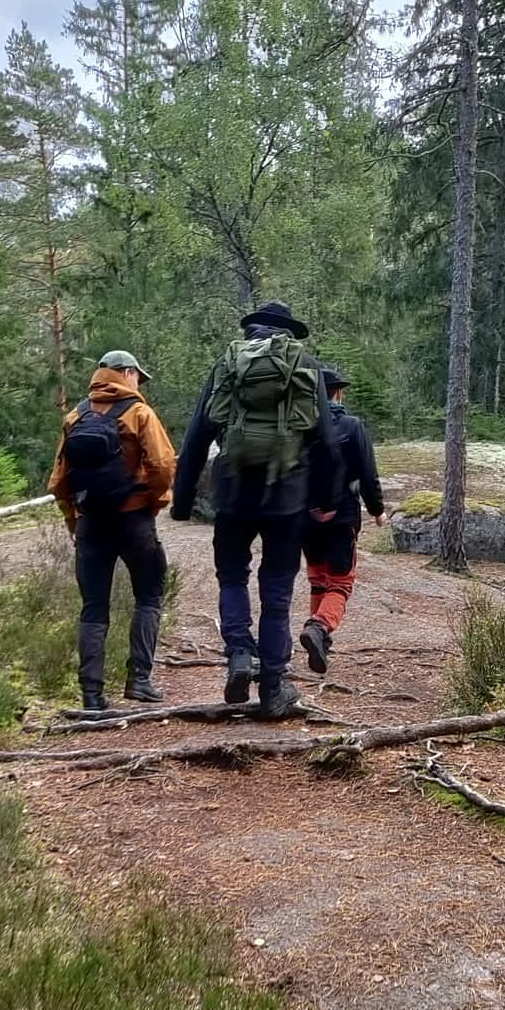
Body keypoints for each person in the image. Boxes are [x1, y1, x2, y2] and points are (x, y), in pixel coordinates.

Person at [170, 301, 343, 718]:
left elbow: (197, 436)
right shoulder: (303, 364)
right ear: (287, 333)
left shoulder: (227, 364)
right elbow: (327, 441)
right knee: (277, 591)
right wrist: (326, 499)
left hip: (232, 495)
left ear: (252, 331)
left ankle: (239, 655)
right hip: (287, 498)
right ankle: (273, 686)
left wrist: (181, 501)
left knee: (232, 578)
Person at [48, 350, 177, 712]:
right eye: (138, 376)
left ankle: (92, 695)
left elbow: (59, 482)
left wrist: (74, 520)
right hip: (134, 520)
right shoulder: (139, 413)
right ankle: (139, 680)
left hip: (91, 524)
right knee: (149, 596)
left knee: (93, 607)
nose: (139, 383)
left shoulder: (75, 417)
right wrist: (155, 502)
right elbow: (164, 465)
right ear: (128, 373)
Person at [299, 366, 387, 675]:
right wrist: (377, 510)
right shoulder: (352, 426)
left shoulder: (299, 427)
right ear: (338, 392)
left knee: (317, 578)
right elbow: (367, 473)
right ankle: (320, 628)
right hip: (342, 516)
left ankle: (320, 637)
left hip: (305, 519)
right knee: (341, 582)